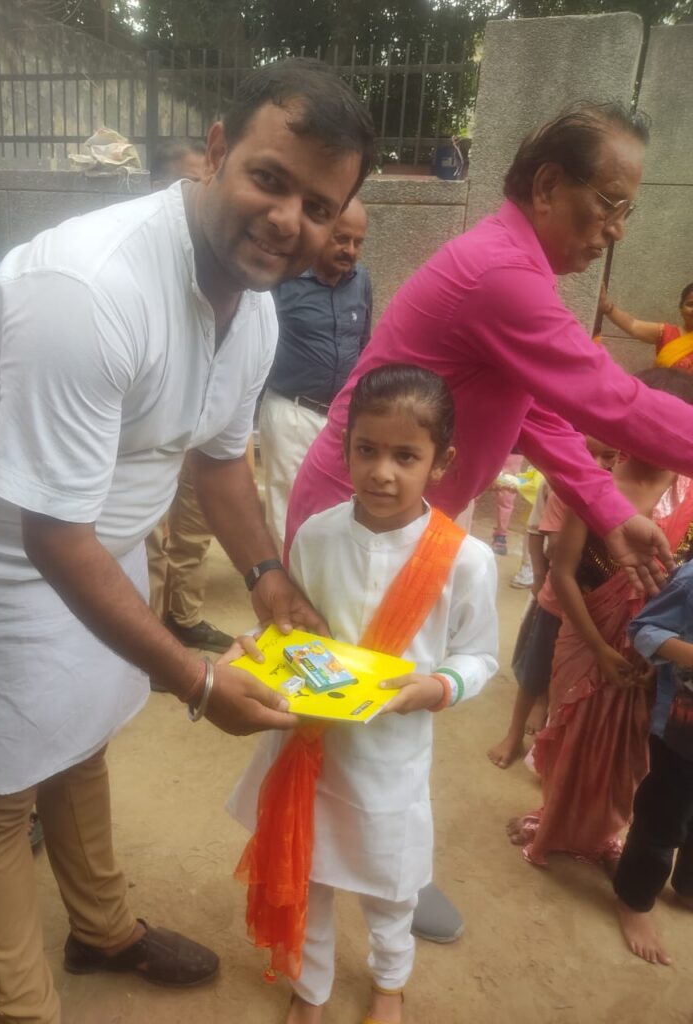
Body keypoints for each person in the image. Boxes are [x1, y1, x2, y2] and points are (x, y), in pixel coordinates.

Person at [0, 59, 375, 1024]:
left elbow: (217, 462)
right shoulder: (88, 287)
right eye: (269, 177)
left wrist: (267, 579)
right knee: (0, 790)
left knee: (78, 736)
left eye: (319, 203)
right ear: (215, 152)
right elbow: (49, 530)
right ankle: (23, 1008)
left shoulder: (252, 307)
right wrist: (199, 680)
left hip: (96, 540)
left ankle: (101, 929)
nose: (288, 218)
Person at [285, 99, 693, 941]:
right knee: (345, 711)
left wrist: (609, 505)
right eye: (609, 203)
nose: (616, 229)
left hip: (411, 526)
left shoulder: (516, 271)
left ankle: (387, 871)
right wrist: (609, 498)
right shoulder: (502, 275)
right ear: (548, 186)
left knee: (397, 704)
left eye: (629, 210)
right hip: (358, 517)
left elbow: (535, 410)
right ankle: (331, 867)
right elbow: (612, 402)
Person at [228, 365, 498, 1024]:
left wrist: (435, 686)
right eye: (367, 450)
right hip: (308, 749)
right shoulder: (317, 536)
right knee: (310, 875)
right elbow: (298, 630)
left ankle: (389, 983)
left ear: (442, 462)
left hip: (391, 759)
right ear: (344, 447)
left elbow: (480, 656)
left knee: (391, 886)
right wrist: (259, 651)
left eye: (406, 455)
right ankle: (311, 989)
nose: (382, 471)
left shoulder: (465, 560)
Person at [507, 369, 693, 868]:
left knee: (628, 752)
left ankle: (605, 835)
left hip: (655, 657)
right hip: (589, 640)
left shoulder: (691, 496)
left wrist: (659, 655)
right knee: (573, 740)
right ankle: (555, 825)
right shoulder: (597, 485)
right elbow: (564, 575)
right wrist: (600, 649)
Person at [146, 136, 236, 655]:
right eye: (189, 178)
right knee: (149, 536)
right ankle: (152, 635)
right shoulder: (134, 266)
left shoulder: (223, 264)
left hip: (206, 422)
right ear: (159, 185)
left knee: (195, 527)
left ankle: (184, 616)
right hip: (154, 427)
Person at [487, 439, 619, 770]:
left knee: (579, 678)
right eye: (590, 453)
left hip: (600, 610)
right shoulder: (564, 489)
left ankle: (553, 735)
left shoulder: (623, 496)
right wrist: (542, 574)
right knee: (535, 669)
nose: (599, 463)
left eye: (609, 455)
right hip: (557, 601)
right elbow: (553, 545)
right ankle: (514, 734)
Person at [259, 196, 371, 550]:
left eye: (358, 242)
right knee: (288, 501)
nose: (350, 250)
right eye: (341, 239)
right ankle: (289, 584)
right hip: (291, 410)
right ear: (321, 232)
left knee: (340, 502)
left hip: (341, 417)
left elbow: (365, 344)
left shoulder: (361, 281)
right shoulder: (284, 279)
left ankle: (324, 579)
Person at [614, 549, 693, 965]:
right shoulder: (691, 580)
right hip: (683, 734)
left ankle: (687, 886)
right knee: (663, 818)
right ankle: (635, 899)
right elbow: (643, 630)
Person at [599, 280, 693, 371]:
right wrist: (607, 306)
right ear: (681, 308)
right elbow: (633, 325)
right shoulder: (667, 333)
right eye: (690, 304)